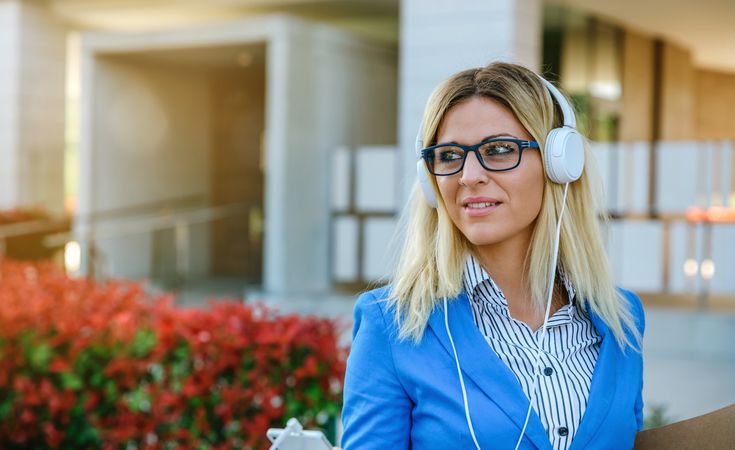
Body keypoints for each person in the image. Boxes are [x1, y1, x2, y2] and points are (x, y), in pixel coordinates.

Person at [339, 62, 645, 450]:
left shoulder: (622, 319)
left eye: (499, 150)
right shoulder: (393, 324)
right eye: (449, 155)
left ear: (559, 163)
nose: (469, 175)